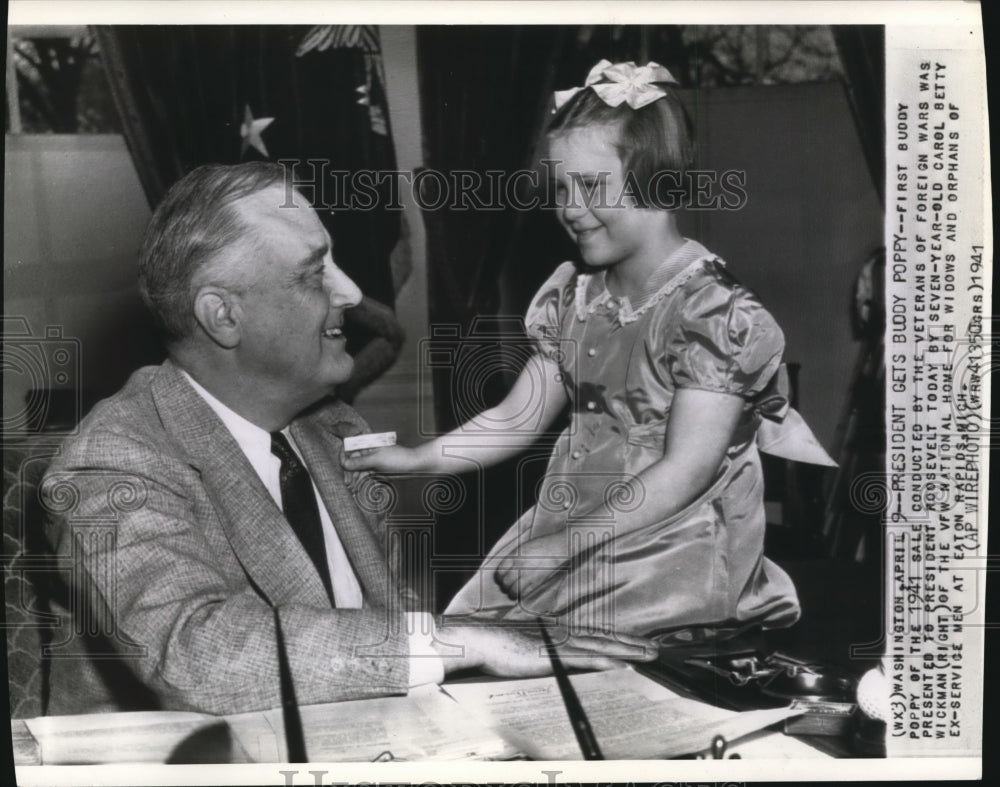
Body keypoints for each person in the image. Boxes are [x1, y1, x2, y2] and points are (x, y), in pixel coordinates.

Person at [39, 161, 653, 717]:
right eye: (314, 274)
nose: (352, 294)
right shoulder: (111, 462)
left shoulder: (336, 431)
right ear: (223, 316)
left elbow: (390, 634)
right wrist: (456, 638)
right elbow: (192, 653)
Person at [344, 60, 835, 645]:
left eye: (592, 186)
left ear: (659, 180)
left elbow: (688, 469)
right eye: (559, 187)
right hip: (576, 527)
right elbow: (514, 418)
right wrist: (418, 460)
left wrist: (566, 545)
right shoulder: (573, 298)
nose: (570, 208)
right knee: (472, 642)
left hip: (672, 545)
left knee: (552, 654)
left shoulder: (712, 313)